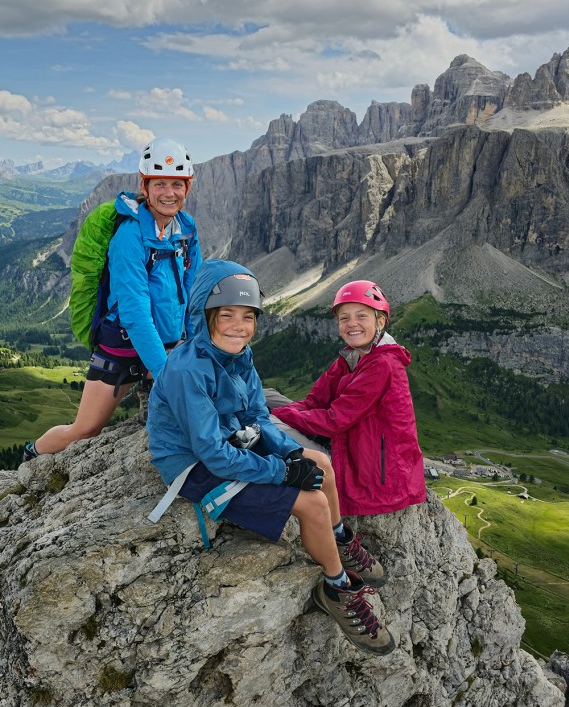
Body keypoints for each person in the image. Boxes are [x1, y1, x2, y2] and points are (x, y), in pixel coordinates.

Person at [147, 259, 395, 655]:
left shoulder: (238, 356)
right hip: (194, 466)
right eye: (225, 315)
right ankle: (337, 588)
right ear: (203, 316)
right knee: (312, 503)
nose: (238, 326)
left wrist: (293, 455)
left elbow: (257, 414)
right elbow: (212, 453)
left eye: (248, 317)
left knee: (320, 463)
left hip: (229, 442)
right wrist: (281, 473)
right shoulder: (186, 370)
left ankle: (339, 539)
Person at [24, 138, 202, 459]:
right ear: (144, 187)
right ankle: (32, 454)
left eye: (177, 184)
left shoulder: (185, 229)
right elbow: (134, 313)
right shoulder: (129, 237)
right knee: (85, 429)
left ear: (187, 187)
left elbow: (193, 289)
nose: (169, 193)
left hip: (167, 342)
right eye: (159, 183)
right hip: (120, 344)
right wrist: (166, 374)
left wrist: (190, 346)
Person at [271, 280, 426, 518]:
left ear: (380, 321)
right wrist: (279, 411)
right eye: (344, 318)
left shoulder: (382, 364)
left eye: (361, 316)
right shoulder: (351, 358)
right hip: (349, 446)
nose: (352, 324)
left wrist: (275, 417)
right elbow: (314, 402)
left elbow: (334, 420)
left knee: (268, 425)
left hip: (368, 474)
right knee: (265, 396)